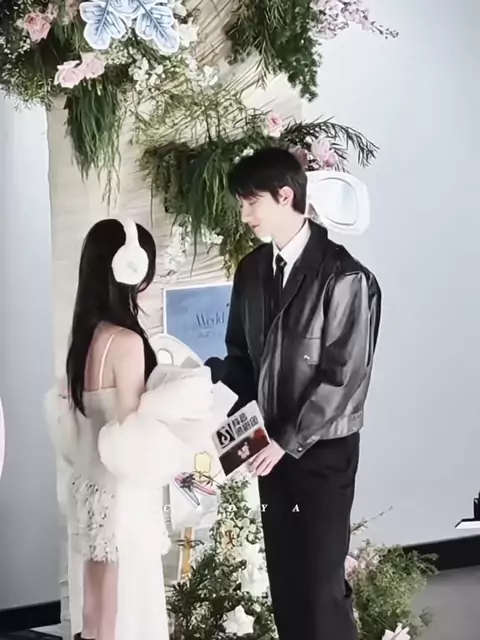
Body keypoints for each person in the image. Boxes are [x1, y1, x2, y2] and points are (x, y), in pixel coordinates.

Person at [206, 147, 381, 640]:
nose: (245, 215)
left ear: (286, 196)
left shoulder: (345, 276)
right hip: (270, 450)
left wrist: (286, 439)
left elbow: (344, 378)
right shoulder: (251, 271)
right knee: (285, 583)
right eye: (242, 204)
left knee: (321, 586)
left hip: (321, 452)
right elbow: (240, 358)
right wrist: (234, 429)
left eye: (251, 202)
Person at [63, 218, 158, 640]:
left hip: (88, 484)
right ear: (128, 268)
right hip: (121, 492)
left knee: (95, 609)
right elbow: (133, 427)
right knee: (127, 609)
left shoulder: (85, 338)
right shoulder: (125, 342)